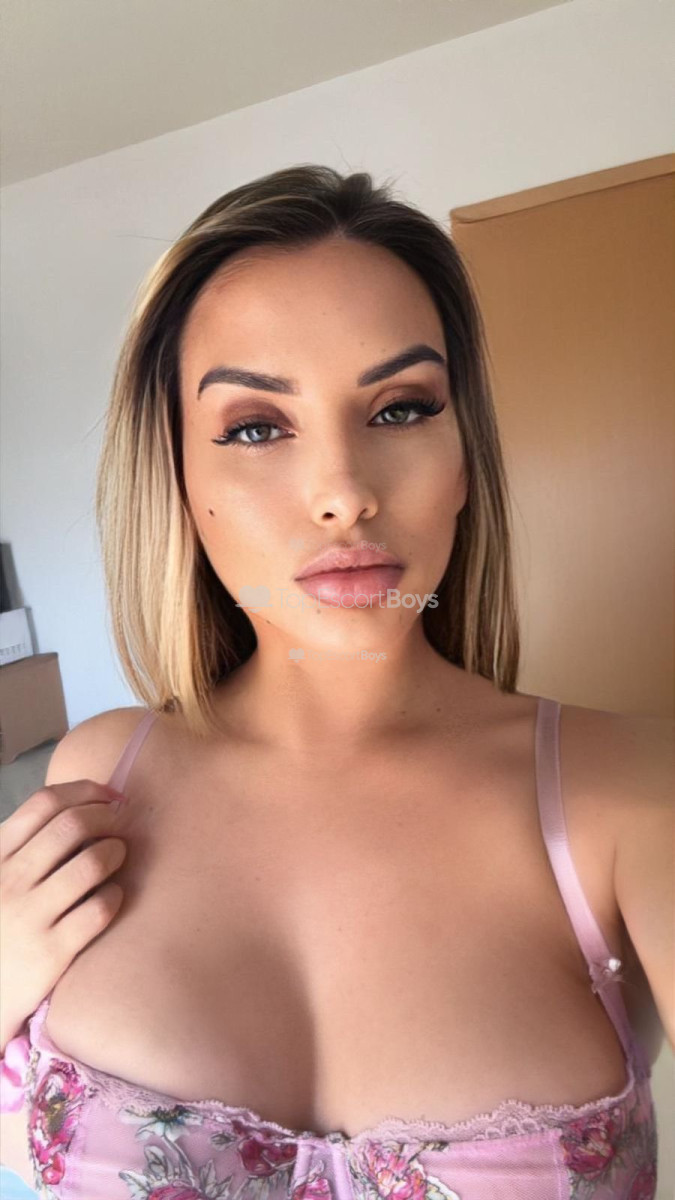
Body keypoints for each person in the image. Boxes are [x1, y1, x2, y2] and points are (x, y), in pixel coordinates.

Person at [0, 164, 672, 1199]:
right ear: (179, 475)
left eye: (400, 409)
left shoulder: (624, 790)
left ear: (464, 456)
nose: (344, 494)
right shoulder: (101, 774)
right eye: (256, 427)